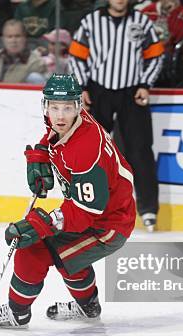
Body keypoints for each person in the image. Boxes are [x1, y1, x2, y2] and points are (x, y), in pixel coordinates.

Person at [0, 74, 136, 328]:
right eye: (54, 107)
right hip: (105, 213)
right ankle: (89, 307)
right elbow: (53, 135)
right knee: (68, 256)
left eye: (67, 108)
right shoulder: (71, 123)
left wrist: (45, 223)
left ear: (78, 106)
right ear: (46, 106)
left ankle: (17, 313)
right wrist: (41, 153)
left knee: (37, 248)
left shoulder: (86, 149)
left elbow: (86, 211)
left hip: (108, 224)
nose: (60, 116)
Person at [68, 0, 164, 232]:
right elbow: (76, 55)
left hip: (132, 93)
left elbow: (156, 54)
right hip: (98, 91)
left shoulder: (141, 22)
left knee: (139, 149)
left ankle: (148, 209)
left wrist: (145, 84)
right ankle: (85, 207)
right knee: (92, 150)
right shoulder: (91, 22)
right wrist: (82, 86)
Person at [0, 19, 47, 83]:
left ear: (25, 38)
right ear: (3, 39)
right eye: (9, 37)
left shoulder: (37, 63)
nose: (13, 40)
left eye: (17, 36)